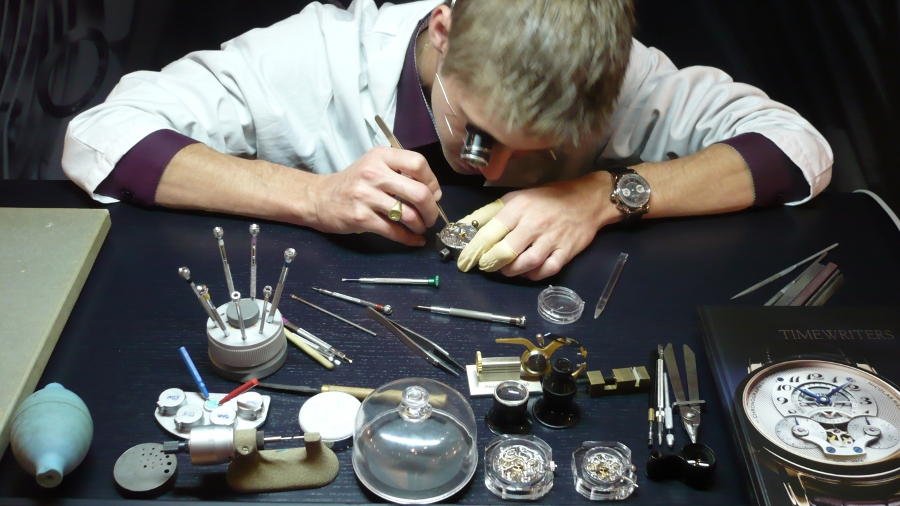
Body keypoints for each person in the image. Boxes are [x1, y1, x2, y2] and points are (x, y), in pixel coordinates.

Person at [62, 0, 832, 280]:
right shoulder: (313, 57)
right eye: (480, 135)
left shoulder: (628, 76)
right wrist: (314, 196)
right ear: (443, 30)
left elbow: (797, 149)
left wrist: (603, 194)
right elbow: (102, 139)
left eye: (541, 150)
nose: (493, 175)